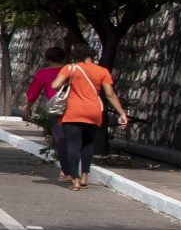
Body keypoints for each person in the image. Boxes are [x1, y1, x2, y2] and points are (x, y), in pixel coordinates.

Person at [50, 50, 129, 190]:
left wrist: (69, 80)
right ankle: (85, 176)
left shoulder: (70, 68)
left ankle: (75, 180)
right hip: (94, 112)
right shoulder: (102, 71)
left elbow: (55, 85)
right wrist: (121, 113)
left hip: (73, 112)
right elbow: (110, 94)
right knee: (88, 144)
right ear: (92, 56)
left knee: (72, 145)